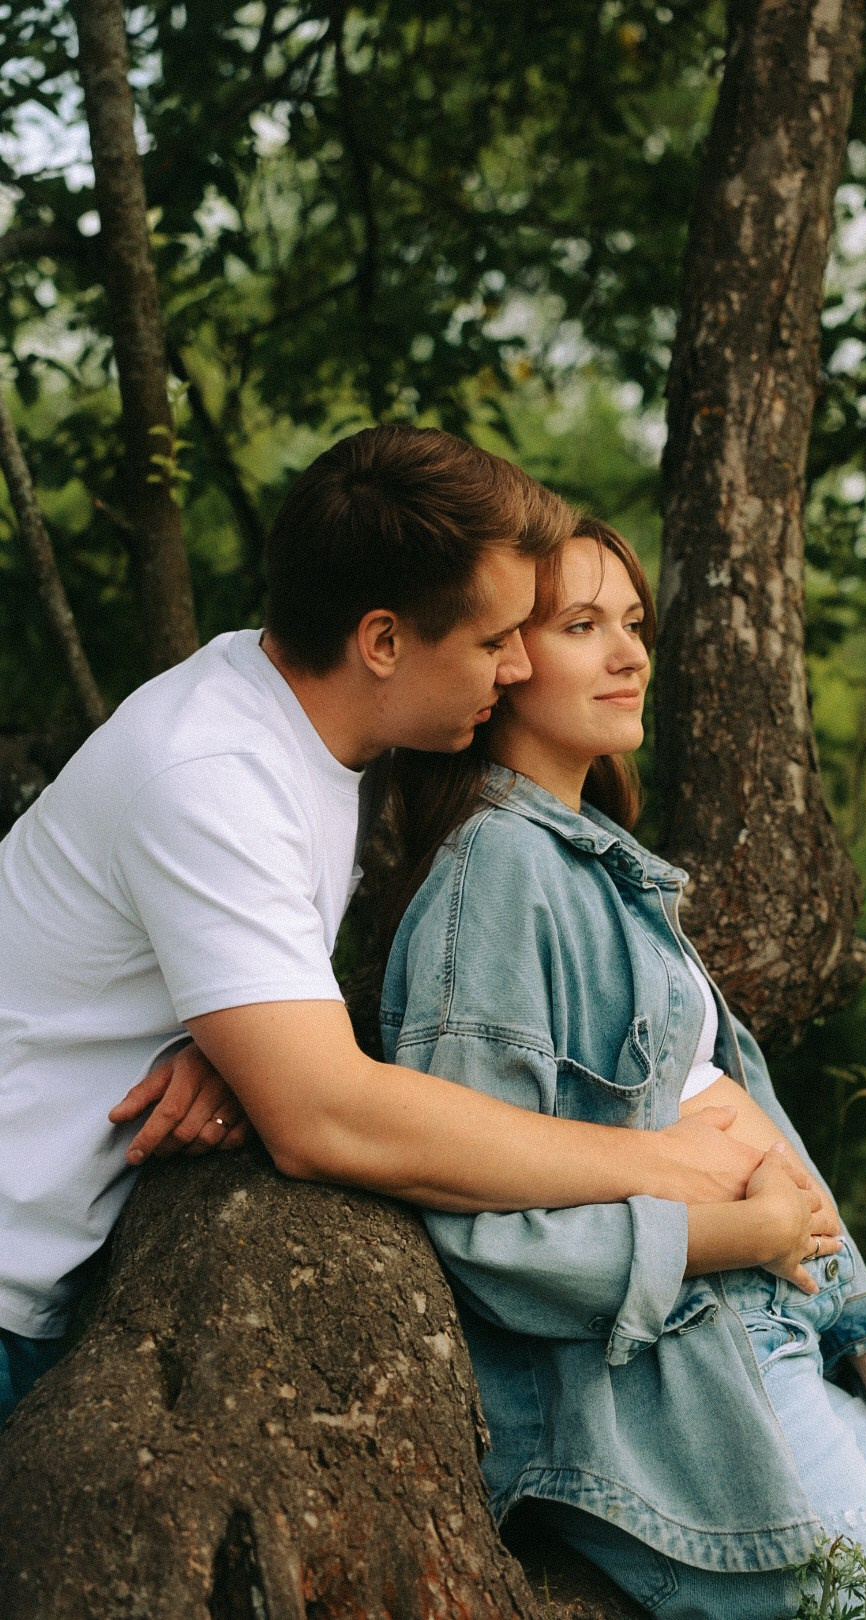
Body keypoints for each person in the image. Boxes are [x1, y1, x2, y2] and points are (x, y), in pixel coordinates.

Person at [0, 428, 793, 1425]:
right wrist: (662, 1166)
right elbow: (326, 1122)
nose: (515, 670)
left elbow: (326, 1031)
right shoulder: (210, 774)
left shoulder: (320, 724)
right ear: (382, 642)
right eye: (495, 641)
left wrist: (235, 1040)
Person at [380, 519, 866, 1619]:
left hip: (790, 1338)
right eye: (582, 625)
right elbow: (481, 1232)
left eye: (634, 624)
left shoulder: (608, 876)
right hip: (684, 1383)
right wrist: (735, 1236)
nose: (630, 654)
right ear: (507, 661)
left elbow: (774, 1147)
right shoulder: (499, 877)